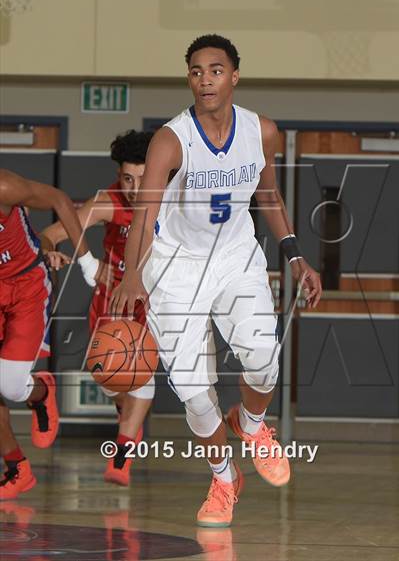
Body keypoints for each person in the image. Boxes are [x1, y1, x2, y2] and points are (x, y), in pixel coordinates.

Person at [110, 34, 322, 526]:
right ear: (189, 79)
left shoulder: (262, 131)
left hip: (234, 257)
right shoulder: (170, 139)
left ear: (234, 76)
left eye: (215, 69)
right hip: (175, 268)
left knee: (264, 361)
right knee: (194, 395)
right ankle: (225, 480)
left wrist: (294, 257)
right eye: (196, 71)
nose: (205, 79)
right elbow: (145, 216)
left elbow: (268, 195)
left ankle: (250, 425)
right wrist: (134, 274)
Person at [42, 131, 156, 487]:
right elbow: (51, 233)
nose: (135, 189)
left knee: (144, 372)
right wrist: (68, 257)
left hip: (154, 298)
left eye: (143, 178)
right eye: (127, 179)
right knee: (109, 377)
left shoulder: (175, 200)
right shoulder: (109, 201)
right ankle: (126, 416)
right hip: (113, 298)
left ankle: (121, 454)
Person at [0, 168, 98, 500]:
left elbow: (58, 199)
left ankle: (40, 392)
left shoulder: (5, 186)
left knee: (10, 387)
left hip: (26, 286)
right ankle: (17, 469)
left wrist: (87, 262)